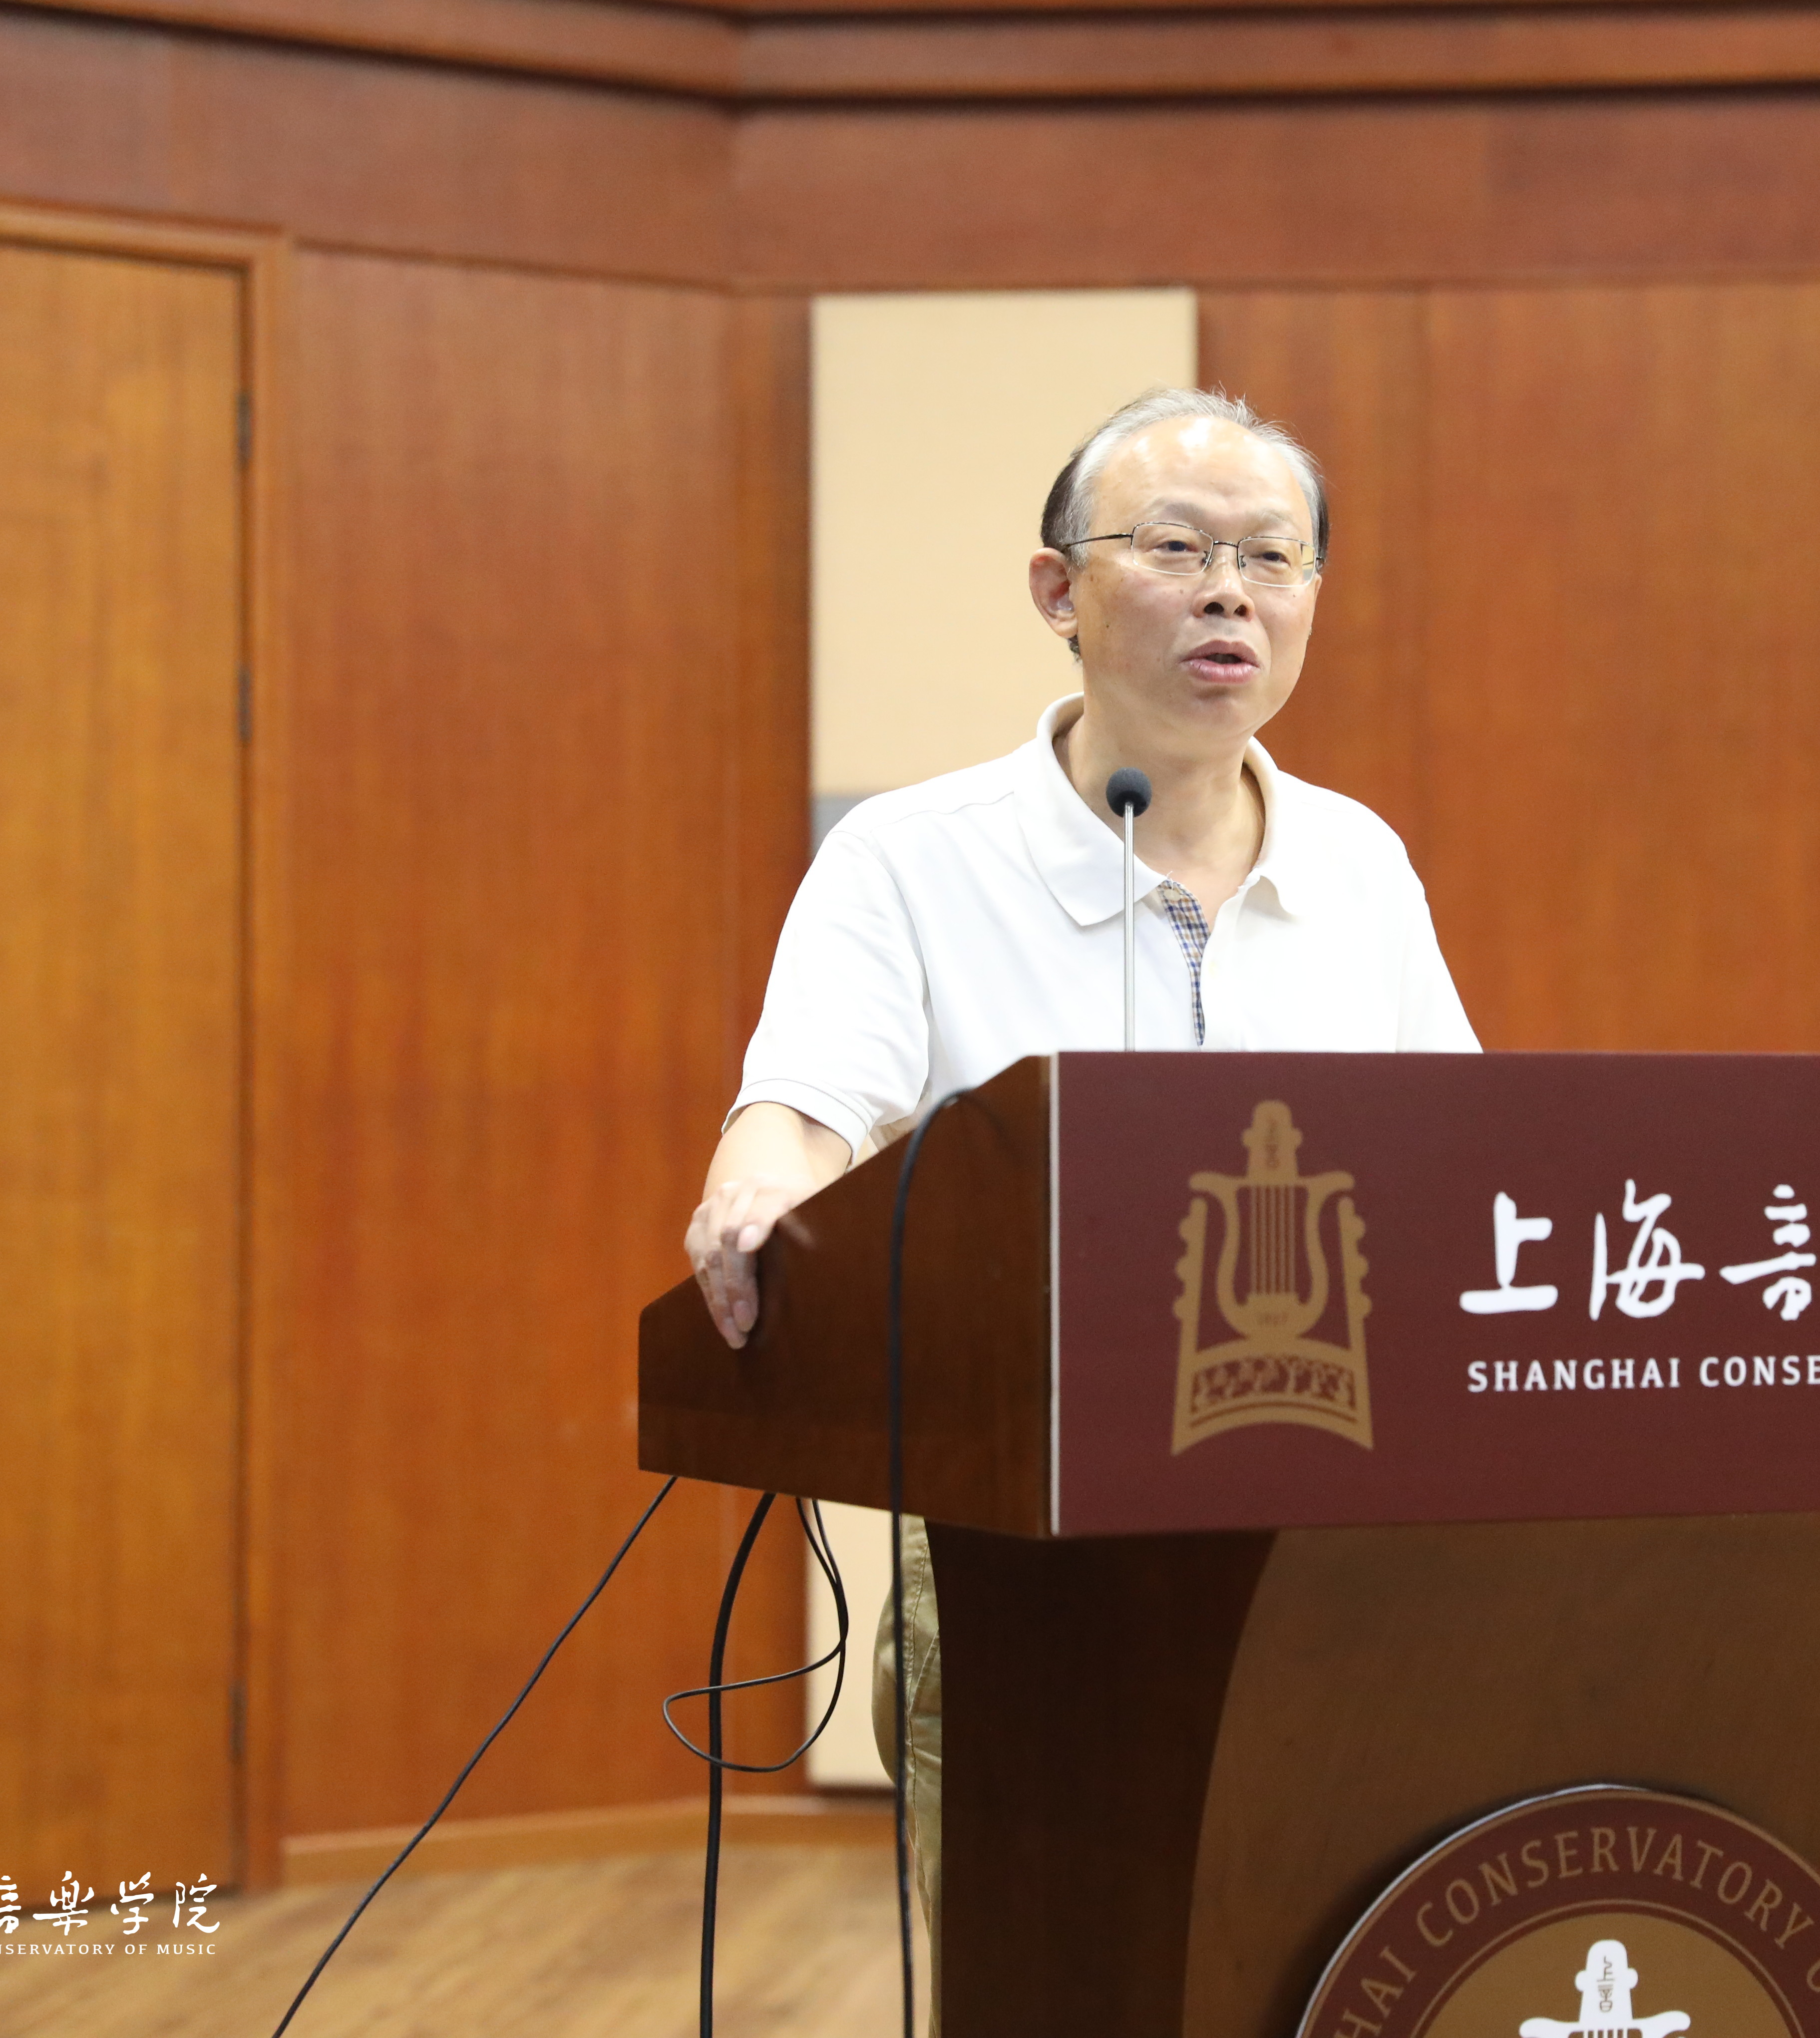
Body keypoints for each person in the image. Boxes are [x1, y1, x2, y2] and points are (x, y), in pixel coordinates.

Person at [680, 385, 1478, 1988]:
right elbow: (804, 1110)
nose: (1230, 593)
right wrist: (755, 1195)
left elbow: (1463, 1158)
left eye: (1272, 557)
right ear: (1058, 589)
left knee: (1313, 1970)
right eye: (1176, 549)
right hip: (1021, 1534)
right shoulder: (912, 856)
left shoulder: (1360, 865)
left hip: (1335, 1529)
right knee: (1049, 1974)